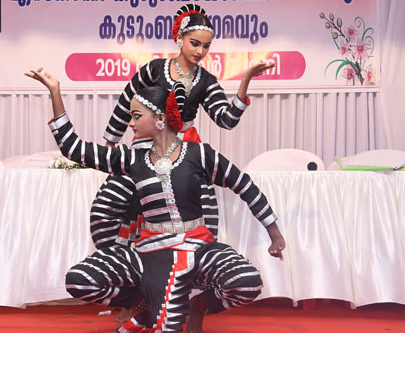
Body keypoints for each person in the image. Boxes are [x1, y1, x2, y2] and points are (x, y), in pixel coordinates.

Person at [24, 66, 286, 332]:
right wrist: (55, 92)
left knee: (247, 281)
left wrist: (275, 234)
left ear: (160, 118)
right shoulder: (132, 158)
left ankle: (197, 305)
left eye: (136, 116)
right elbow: (74, 149)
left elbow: (245, 187)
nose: (131, 123)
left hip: (197, 248)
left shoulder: (201, 154)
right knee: (80, 280)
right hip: (149, 254)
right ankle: (146, 301)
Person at [93, 4, 275, 321]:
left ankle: (191, 299)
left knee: (199, 221)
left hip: (183, 152)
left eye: (206, 46)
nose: (201, 51)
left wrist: (245, 81)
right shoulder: (153, 70)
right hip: (144, 149)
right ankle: (134, 293)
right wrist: (109, 145)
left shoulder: (206, 80)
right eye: (196, 43)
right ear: (179, 38)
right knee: (116, 209)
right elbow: (126, 104)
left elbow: (227, 119)